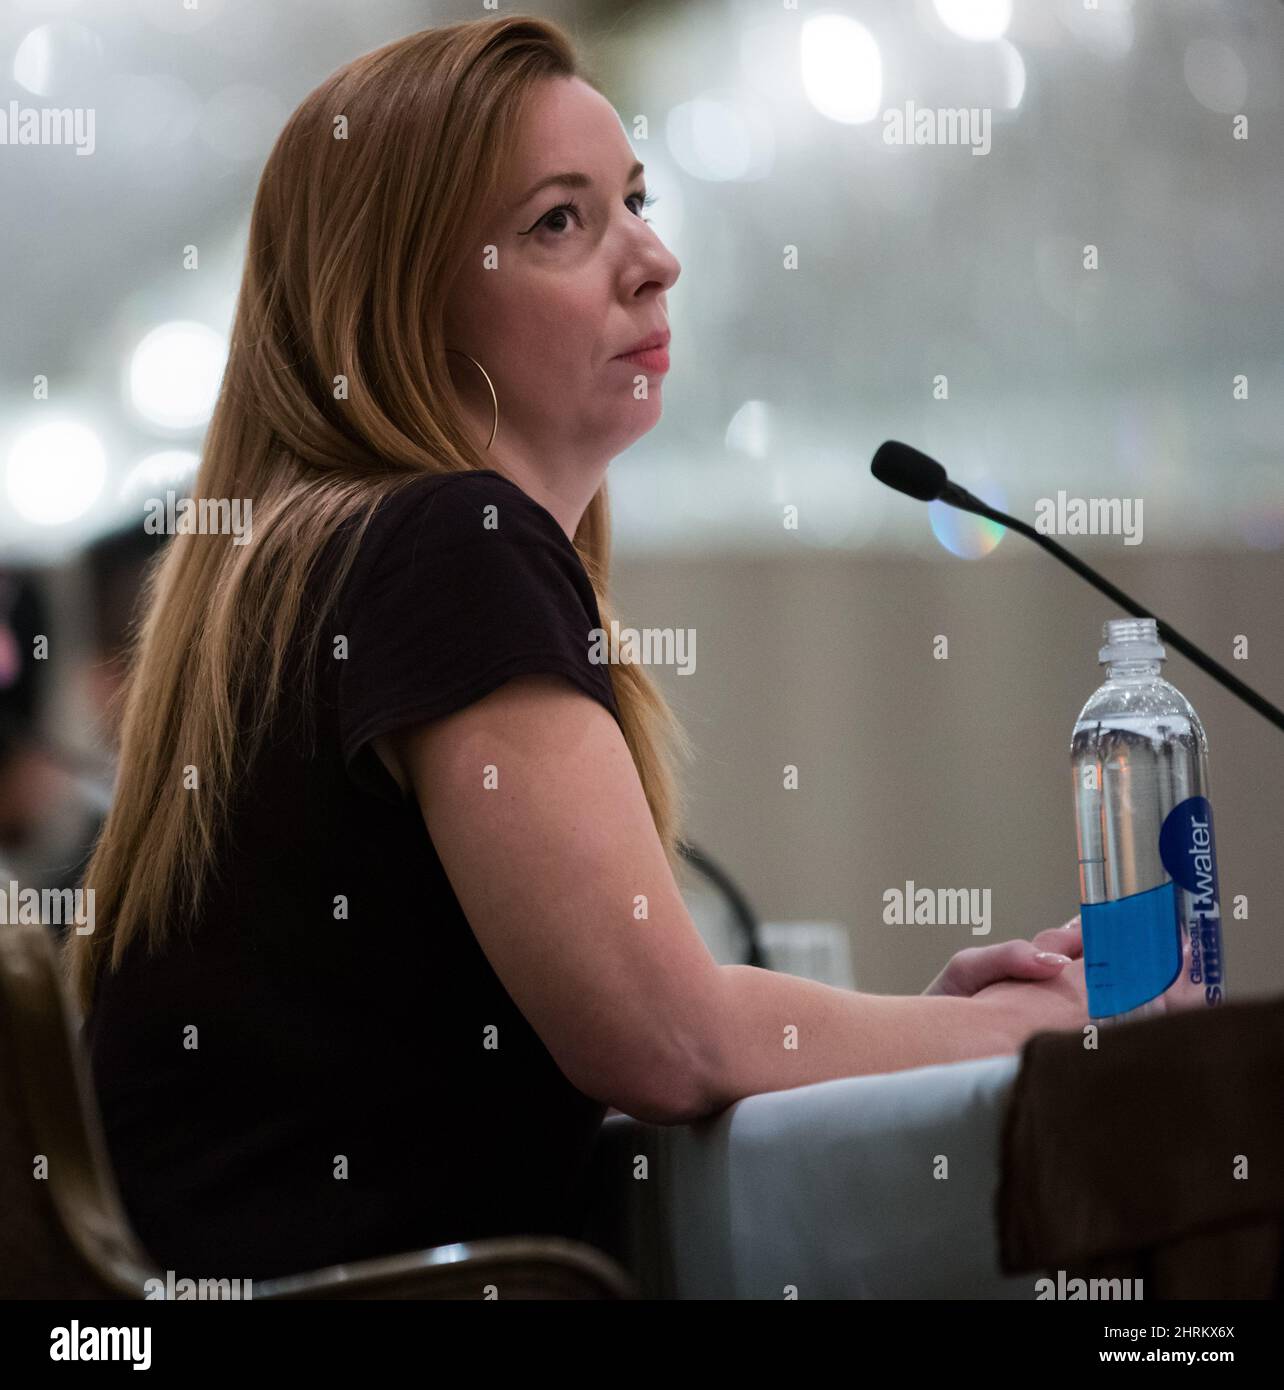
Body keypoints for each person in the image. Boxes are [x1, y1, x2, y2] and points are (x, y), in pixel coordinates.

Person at [64, 15, 1086, 1283]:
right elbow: (663, 1043)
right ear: (404, 294)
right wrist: (1044, 1032)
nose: (654, 261)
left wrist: (917, 1030)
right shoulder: (444, 543)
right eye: (562, 221)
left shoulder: (297, 562)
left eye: (635, 203)